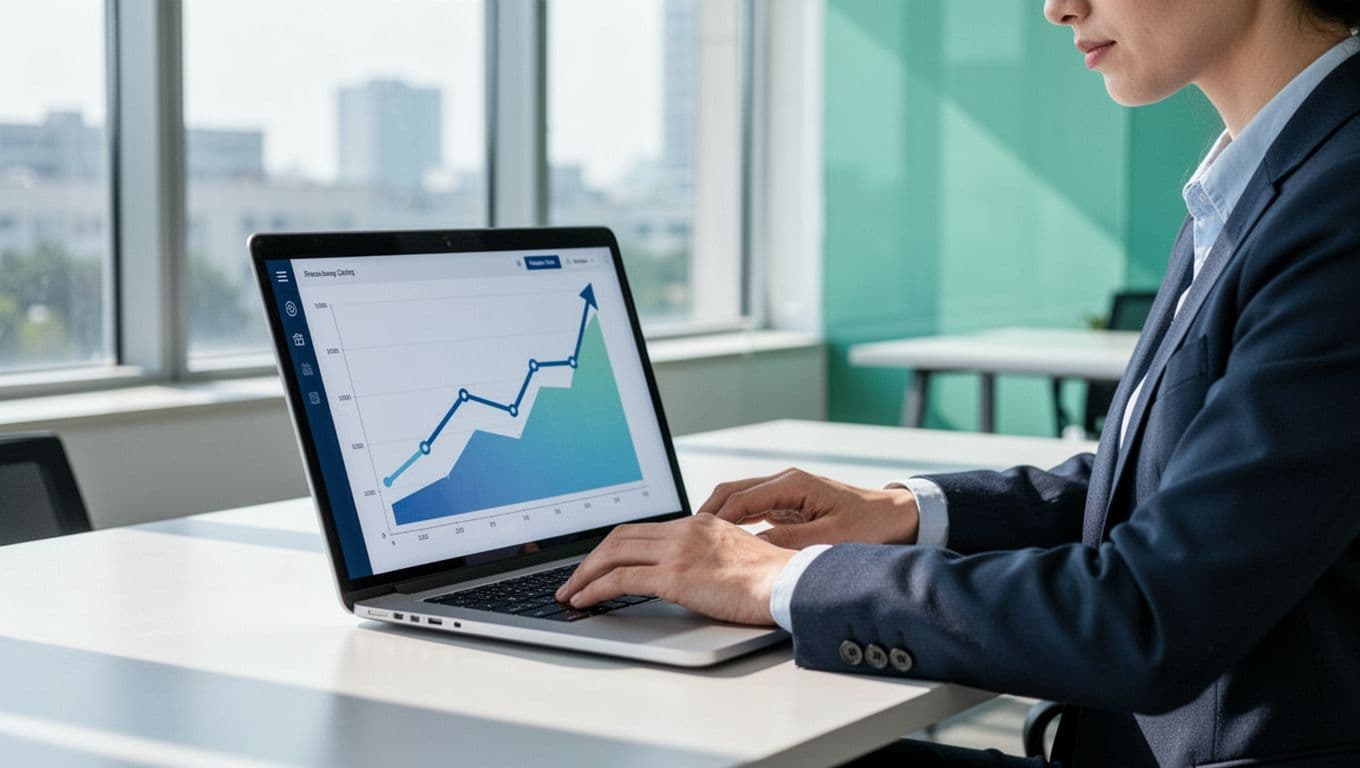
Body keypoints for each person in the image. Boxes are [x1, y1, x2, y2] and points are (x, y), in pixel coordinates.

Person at [558, 0, 1360, 764]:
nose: (1057, 8)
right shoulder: (1267, 175)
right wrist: (906, 514)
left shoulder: (1339, 201)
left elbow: (1149, 616)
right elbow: (1177, 490)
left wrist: (777, 577)